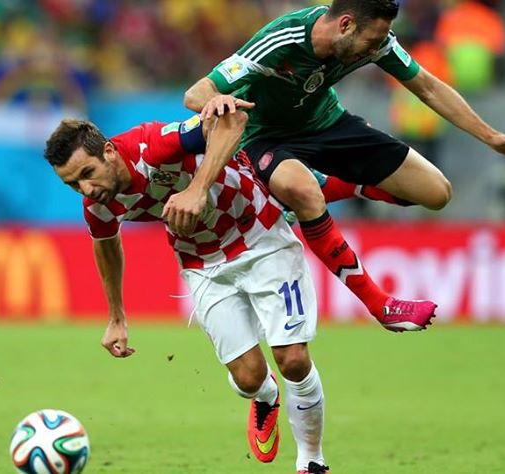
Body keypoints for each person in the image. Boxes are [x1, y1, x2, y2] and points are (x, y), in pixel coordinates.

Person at [178, 0, 505, 329]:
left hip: (327, 123)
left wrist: (491, 137)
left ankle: (321, 185)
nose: (376, 50)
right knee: (302, 190)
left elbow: (428, 87)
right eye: (371, 42)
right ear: (345, 25)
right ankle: (379, 303)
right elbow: (197, 92)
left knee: (437, 193)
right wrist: (218, 101)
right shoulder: (282, 39)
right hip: (265, 137)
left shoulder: (376, 40)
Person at [43, 110, 333, 473]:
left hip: (261, 236)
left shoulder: (153, 145)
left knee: (292, 358)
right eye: (73, 185)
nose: (86, 189)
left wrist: (197, 188)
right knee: (248, 379)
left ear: (110, 151)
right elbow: (105, 244)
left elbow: (229, 124)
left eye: (87, 173)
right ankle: (265, 396)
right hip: (203, 263)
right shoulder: (98, 203)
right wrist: (117, 317)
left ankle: (312, 460)